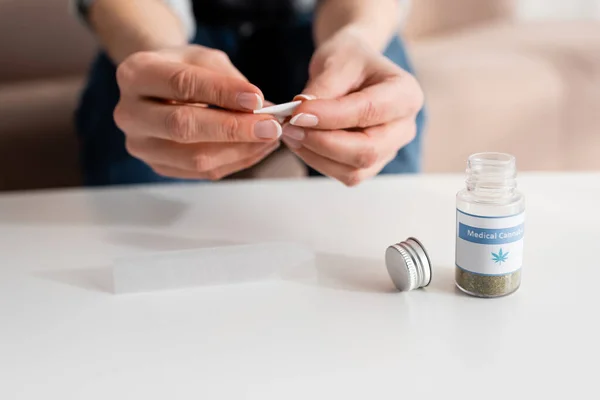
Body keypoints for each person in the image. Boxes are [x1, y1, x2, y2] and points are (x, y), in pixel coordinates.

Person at [73, 0, 425, 187]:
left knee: (378, 191)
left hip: (324, 21)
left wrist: (357, 36)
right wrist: (159, 52)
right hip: (174, 24)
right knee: (139, 196)